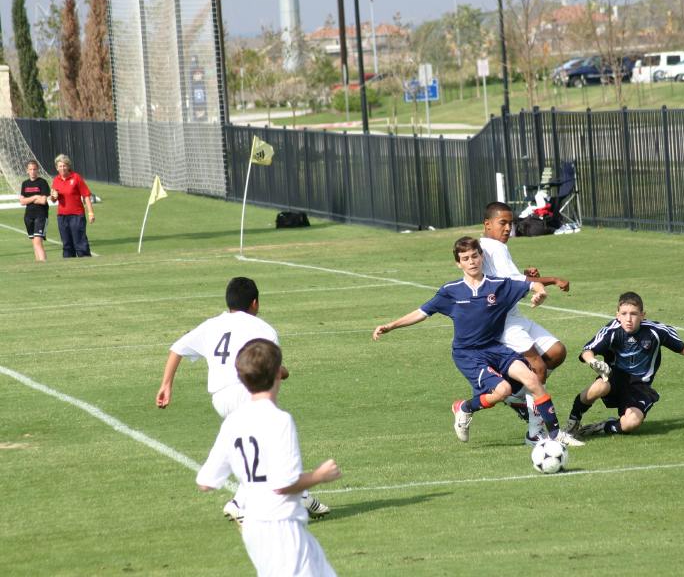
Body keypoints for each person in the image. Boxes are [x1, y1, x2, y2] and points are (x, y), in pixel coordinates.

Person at [372, 236, 581, 447]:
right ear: (458, 263)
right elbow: (422, 312)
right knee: (503, 391)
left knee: (534, 379)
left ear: (482, 257)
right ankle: (465, 408)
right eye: (465, 258)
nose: (471, 262)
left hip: (495, 348)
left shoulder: (498, 285)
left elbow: (531, 284)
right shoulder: (451, 291)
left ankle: (555, 436)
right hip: (468, 354)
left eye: (474, 256)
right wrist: (391, 326)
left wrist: (541, 292)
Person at [157, 277, 330, 520]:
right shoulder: (262, 328)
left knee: (259, 446)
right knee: (274, 442)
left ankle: (298, 498)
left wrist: (166, 385)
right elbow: (272, 366)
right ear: (255, 303)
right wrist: (284, 372)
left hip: (219, 397)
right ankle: (242, 502)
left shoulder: (212, 324)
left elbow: (177, 348)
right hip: (246, 392)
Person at [197, 339, 341, 577]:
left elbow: (206, 481)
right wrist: (320, 476)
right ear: (278, 374)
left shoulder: (233, 421)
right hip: (280, 527)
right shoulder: (279, 420)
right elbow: (283, 484)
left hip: (258, 526)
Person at [564, 291, 684, 437]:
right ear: (617, 314)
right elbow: (587, 351)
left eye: (633, 313)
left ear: (643, 315)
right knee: (598, 387)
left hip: (640, 386)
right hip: (615, 378)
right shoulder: (612, 331)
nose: (628, 319)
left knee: (631, 424)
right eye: (624, 313)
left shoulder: (656, 331)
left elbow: (680, 347)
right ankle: (572, 425)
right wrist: (593, 361)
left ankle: (602, 427)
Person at [480, 201, 575, 445]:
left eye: (510, 223)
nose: (508, 228)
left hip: (515, 317)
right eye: (503, 223)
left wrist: (528, 278)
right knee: (539, 368)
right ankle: (536, 434)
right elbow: (512, 284)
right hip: (504, 323)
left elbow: (509, 282)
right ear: (487, 224)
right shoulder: (494, 248)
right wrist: (552, 279)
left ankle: (518, 395)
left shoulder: (490, 247)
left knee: (556, 351)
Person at [48, 154, 94, 258]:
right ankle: (69, 267)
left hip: (77, 216)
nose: (62, 168)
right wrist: (53, 196)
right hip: (62, 216)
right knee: (67, 244)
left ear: (68, 166)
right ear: (56, 167)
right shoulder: (56, 180)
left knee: (80, 243)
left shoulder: (76, 177)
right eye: (60, 166)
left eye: (64, 165)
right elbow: (54, 199)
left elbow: (86, 195)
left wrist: (90, 213)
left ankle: (86, 264)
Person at [19, 160, 50, 261]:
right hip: (28, 216)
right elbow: (22, 201)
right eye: (30, 169)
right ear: (27, 170)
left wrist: (29, 199)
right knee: (34, 243)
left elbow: (43, 201)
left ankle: (44, 264)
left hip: (40, 215)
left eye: (34, 169)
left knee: (37, 242)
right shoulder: (25, 184)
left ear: (38, 170)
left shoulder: (42, 182)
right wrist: (35, 197)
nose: (32, 171)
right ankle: (38, 264)